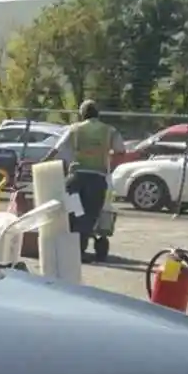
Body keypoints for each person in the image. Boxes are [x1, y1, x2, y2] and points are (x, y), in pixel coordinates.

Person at [45, 99, 127, 261]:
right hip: (97, 181)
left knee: (75, 212)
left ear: (82, 114)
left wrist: (41, 163)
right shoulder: (109, 131)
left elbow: (56, 149)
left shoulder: (74, 129)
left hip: (75, 180)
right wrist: (108, 164)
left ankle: (72, 249)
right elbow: (121, 152)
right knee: (89, 215)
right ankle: (80, 251)